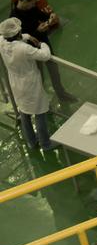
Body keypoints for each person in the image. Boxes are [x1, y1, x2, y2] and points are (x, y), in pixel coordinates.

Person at [10, 0, 75, 102]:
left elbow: (41, 15)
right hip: (30, 49)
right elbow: (19, 41)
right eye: (32, 3)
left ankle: (61, 93)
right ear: (25, 1)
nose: (34, 5)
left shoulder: (31, 8)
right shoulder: (14, 18)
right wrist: (37, 32)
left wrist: (50, 17)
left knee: (53, 69)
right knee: (38, 75)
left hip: (43, 42)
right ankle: (41, 98)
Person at [0, 16, 55, 150]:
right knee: (39, 112)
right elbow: (45, 55)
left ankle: (31, 142)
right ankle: (46, 143)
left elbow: (15, 39)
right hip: (30, 84)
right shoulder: (24, 49)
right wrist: (43, 44)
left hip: (15, 82)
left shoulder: (2, 42)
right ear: (17, 32)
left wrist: (28, 36)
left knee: (24, 112)